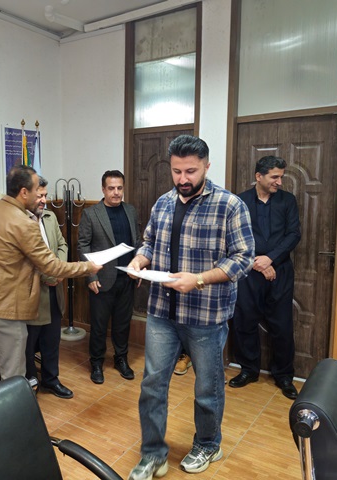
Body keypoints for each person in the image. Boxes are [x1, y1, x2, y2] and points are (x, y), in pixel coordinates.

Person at [127, 135, 254, 479]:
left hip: (205, 317)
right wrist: (140, 260)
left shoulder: (229, 205)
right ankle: (153, 454)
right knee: (152, 386)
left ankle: (209, 444)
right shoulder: (163, 203)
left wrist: (198, 279)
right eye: (176, 171)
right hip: (161, 313)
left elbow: (244, 259)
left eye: (191, 171)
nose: (183, 179)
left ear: (206, 166)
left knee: (207, 388)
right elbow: (150, 242)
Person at [0, 165, 101, 380]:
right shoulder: (24, 223)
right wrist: (88, 267)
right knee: (13, 375)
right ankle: (13, 403)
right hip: (3, 309)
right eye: (36, 191)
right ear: (24, 192)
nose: (40, 196)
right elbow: (51, 267)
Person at [228, 156, 301, 400]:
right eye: (274, 177)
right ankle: (248, 370)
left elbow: (293, 235)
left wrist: (270, 259)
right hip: (248, 271)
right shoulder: (240, 201)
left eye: (281, 177)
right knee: (244, 322)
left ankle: (284, 376)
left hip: (279, 272)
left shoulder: (288, 201)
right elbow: (233, 237)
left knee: (282, 326)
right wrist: (257, 263)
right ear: (258, 176)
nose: (279, 181)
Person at [77, 170, 140, 385]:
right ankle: (96, 363)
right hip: (102, 279)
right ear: (103, 189)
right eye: (111, 188)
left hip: (127, 278)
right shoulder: (91, 214)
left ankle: (121, 359)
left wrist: (138, 268)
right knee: (99, 326)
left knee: (123, 324)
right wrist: (91, 275)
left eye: (119, 188)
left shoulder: (130, 211)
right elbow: (83, 246)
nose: (116, 192)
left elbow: (137, 242)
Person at [25, 177, 74, 399]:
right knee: (28, 344)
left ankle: (51, 380)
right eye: (40, 196)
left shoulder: (50, 217)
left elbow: (62, 244)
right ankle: (28, 386)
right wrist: (50, 273)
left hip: (54, 290)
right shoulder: (19, 222)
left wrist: (59, 270)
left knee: (52, 340)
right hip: (32, 294)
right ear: (26, 194)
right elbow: (24, 259)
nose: (44, 200)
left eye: (46, 195)